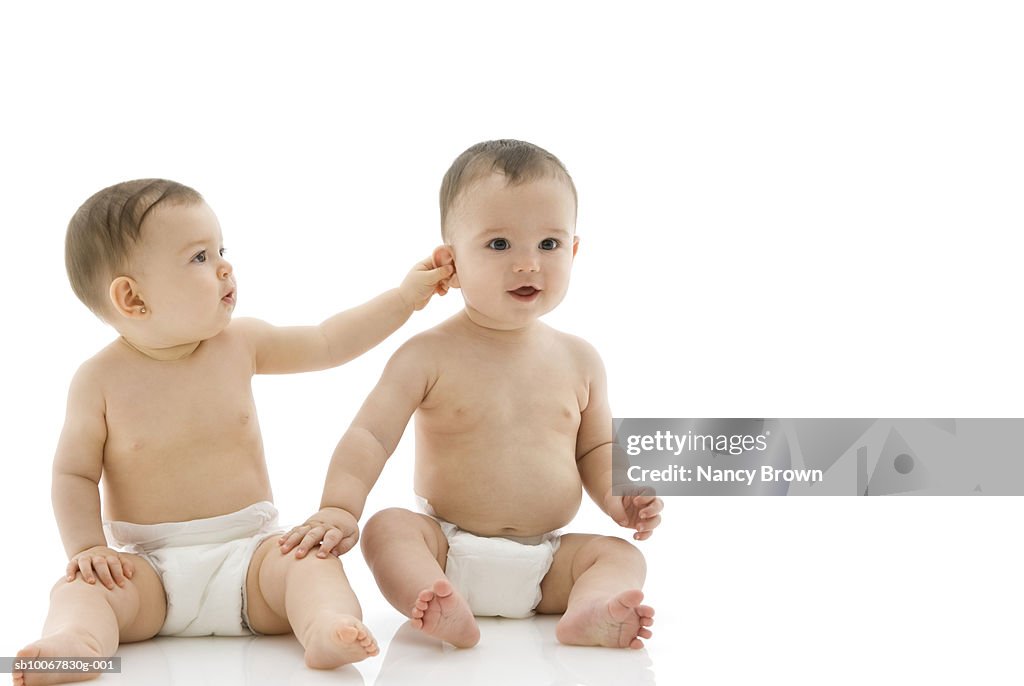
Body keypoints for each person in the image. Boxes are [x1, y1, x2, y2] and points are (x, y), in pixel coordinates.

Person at [15, 178, 452, 684]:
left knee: (310, 563)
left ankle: (327, 626)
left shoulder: (239, 343)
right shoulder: (98, 381)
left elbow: (329, 341)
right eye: (199, 257)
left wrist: (405, 298)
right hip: (150, 570)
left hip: (252, 557)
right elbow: (73, 472)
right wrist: (86, 548)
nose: (225, 266)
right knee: (79, 591)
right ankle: (78, 644)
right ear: (132, 298)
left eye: (221, 250)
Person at [280, 140, 662, 650]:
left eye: (548, 245)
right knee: (387, 529)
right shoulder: (427, 355)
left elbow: (595, 450)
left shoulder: (581, 360)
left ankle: (590, 609)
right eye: (499, 245)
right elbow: (370, 437)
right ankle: (434, 602)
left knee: (621, 557)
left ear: (572, 251)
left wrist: (621, 498)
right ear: (451, 261)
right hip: (445, 550)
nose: (528, 265)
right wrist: (339, 509)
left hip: (547, 561)